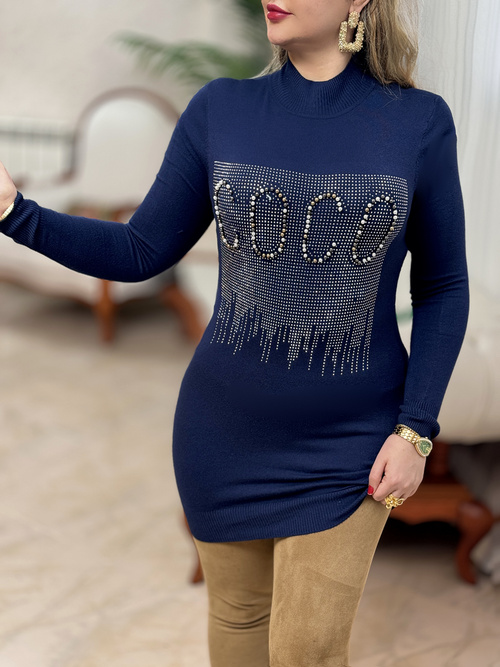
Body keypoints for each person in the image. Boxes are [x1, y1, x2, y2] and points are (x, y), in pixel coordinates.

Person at [0, 0, 469, 664]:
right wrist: (15, 212)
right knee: (238, 625)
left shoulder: (418, 122)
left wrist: (416, 428)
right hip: (221, 433)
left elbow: (443, 285)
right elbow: (140, 249)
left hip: (352, 444)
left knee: (306, 651)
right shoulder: (220, 108)